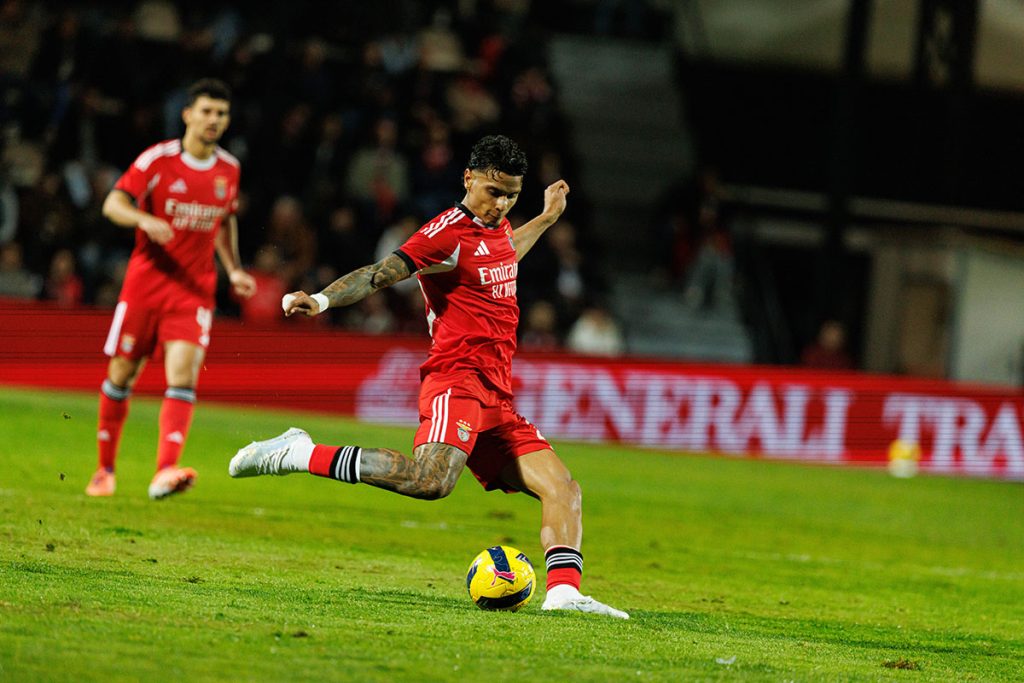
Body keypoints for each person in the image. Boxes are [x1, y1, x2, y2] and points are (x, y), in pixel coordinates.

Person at [230, 135, 628, 619]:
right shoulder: (445, 234)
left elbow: (504, 255)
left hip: (495, 394)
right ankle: (299, 452)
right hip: (456, 380)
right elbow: (379, 273)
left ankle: (564, 595)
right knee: (431, 481)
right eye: (493, 192)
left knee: (563, 488)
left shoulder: (497, 228)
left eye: (511, 196)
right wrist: (321, 299)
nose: (501, 205)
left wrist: (544, 219)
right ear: (468, 178)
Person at [86, 78, 256, 499]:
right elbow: (113, 204)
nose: (214, 119)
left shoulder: (229, 169)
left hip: (194, 290)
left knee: (183, 376)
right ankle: (104, 470)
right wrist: (143, 219)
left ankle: (165, 470)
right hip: (145, 285)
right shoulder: (158, 160)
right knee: (121, 374)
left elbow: (225, 220)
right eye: (207, 111)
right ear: (187, 115)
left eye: (221, 113)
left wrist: (234, 269)